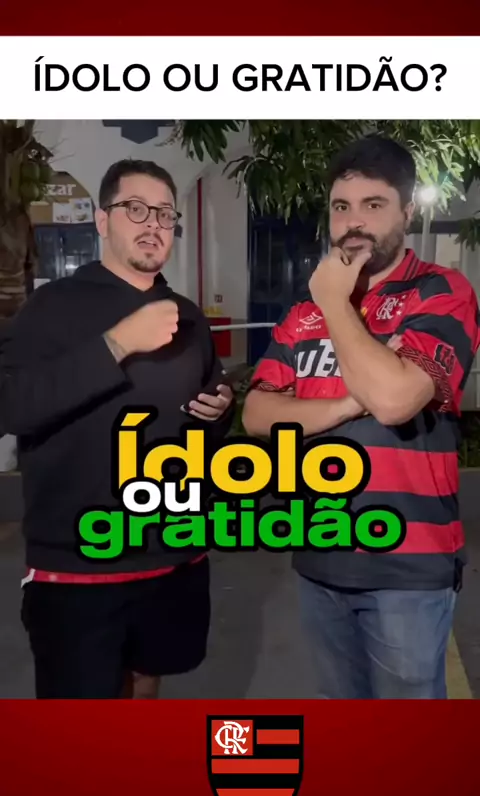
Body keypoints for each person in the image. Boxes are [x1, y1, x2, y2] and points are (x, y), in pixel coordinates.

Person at [242, 135, 480, 699]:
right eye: (341, 206)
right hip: (320, 555)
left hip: (408, 568)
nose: (354, 222)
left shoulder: (440, 292)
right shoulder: (302, 314)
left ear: (407, 211)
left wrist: (334, 303)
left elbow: (396, 400)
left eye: (374, 205)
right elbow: (258, 414)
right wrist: (353, 400)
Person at [0, 159, 234, 700]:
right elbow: (11, 407)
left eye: (165, 213)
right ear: (102, 220)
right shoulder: (51, 307)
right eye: (136, 209)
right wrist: (117, 343)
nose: (153, 224)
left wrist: (219, 410)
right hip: (79, 566)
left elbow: (203, 425)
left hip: (172, 553)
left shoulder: (187, 315)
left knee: (148, 680)